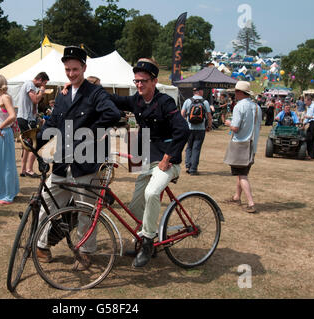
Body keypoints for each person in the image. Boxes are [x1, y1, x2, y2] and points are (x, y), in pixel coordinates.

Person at [35, 46, 121, 270]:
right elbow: (54, 123)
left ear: (84, 67)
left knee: (86, 210)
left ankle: (84, 252)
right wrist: (38, 142)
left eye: (75, 69)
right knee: (47, 200)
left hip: (86, 162)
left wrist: (91, 133)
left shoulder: (95, 93)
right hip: (63, 162)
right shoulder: (63, 95)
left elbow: (113, 113)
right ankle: (41, 245)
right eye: (67, 69)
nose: (71, 73)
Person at [110, 58, 190, 267]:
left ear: (154, 81)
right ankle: (143, 239)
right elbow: (112, 99)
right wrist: (83, 86)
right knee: (135, 204)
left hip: (167, 162)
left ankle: (147, 244)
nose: (139, 85)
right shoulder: (136, 100)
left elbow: (183, 130)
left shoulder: (165, 102)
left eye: (143, 81)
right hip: (148, 160)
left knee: (152, 193)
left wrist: (167, 158)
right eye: (136, 81)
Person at [224, 81, 261, 214]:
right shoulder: (257, 107)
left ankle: (251, 202)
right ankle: (237, 197)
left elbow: (235, 127)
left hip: (240, 144)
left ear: (240, 92)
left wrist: (228, 123)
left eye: (236, 91)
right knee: (241, 172)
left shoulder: (239, 107)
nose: (234, 94)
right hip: (252, 144)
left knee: (242, 174)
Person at [0, 75, 19, 204]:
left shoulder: (5, 97)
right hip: (0, 132)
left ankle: (7, 194)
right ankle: (7, 191)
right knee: (3, 164)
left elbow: (12, 115)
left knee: (5, 164)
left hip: (3, 132)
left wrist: (0, 126)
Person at [17, 72, 49, 178]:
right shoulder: (30, 84)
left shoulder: (30, 86)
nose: (43, 86)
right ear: (39, 79)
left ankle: (23, 170)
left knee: (27, 146)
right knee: (33, 145)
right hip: (26, 119)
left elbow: (34, 103)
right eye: (43, 83)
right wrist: (42, 92)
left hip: (28, 118)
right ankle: (29, 169)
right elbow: (35, 99)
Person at [181, 86, 212, 176]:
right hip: (200, 129)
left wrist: (183, 125)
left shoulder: (188, 101)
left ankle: (188, 166)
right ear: (200, 91)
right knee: (196, 148)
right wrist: (209, 126)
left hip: (189, 128)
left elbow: (182, 114)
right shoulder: (205, 102)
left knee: (189, 147)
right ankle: (193, 169)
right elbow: (209, 116)